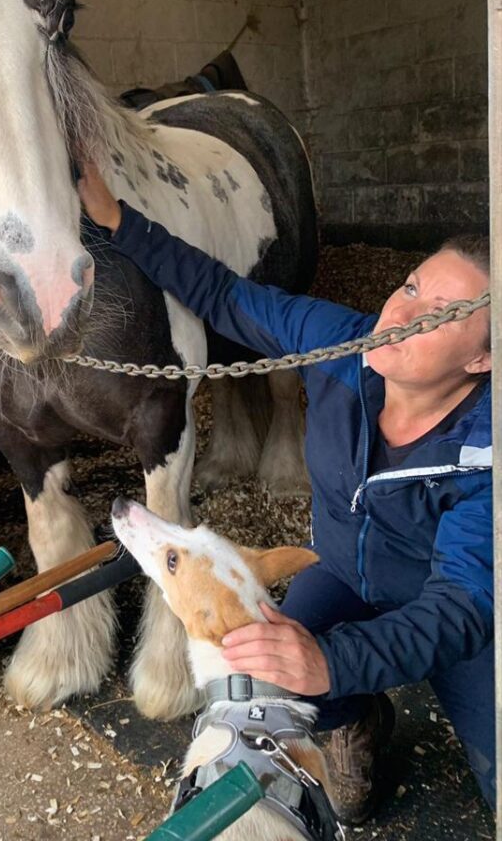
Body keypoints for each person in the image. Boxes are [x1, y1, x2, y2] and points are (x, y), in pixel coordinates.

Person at [77, 163, 494, 824]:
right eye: (410, 286)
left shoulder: (485, 449)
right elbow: (224, 295)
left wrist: (332, 660)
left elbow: (465, 605)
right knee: (274, 675)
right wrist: (119, 221)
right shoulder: (344, 345)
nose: (399, 313)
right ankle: (359, 718)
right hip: (343, 574)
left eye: (439, 314)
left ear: (482, 360)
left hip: (454, 618)